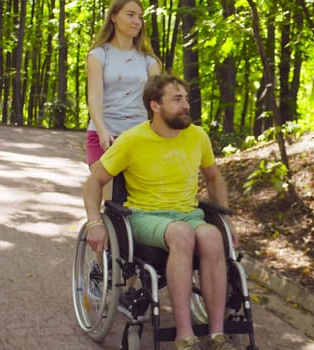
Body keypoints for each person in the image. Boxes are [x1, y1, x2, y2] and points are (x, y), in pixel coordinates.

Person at [82, 73, 240, 350]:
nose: (186, 105)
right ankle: (185, 335)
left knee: (214, 237)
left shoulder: (197, 136)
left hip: (188, 214)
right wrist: (95, 222)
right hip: (145, 216)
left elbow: (214, 177)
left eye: (186, 99)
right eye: (177, 99)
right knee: (180, 235)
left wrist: (227, 221)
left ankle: (217, 334)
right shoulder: (132, 140)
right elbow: (95, 181)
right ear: (155, 105)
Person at [86, 0, 161, 200]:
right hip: (104, 136)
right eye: (130, 15)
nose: (137, 21)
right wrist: (102, 130)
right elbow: (94, 96)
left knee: (139, 203)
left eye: (140, 17)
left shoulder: (149, 61)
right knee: (112, 202)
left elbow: (157, 106)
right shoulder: (98, 55)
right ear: (113, 17)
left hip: (138, 138)